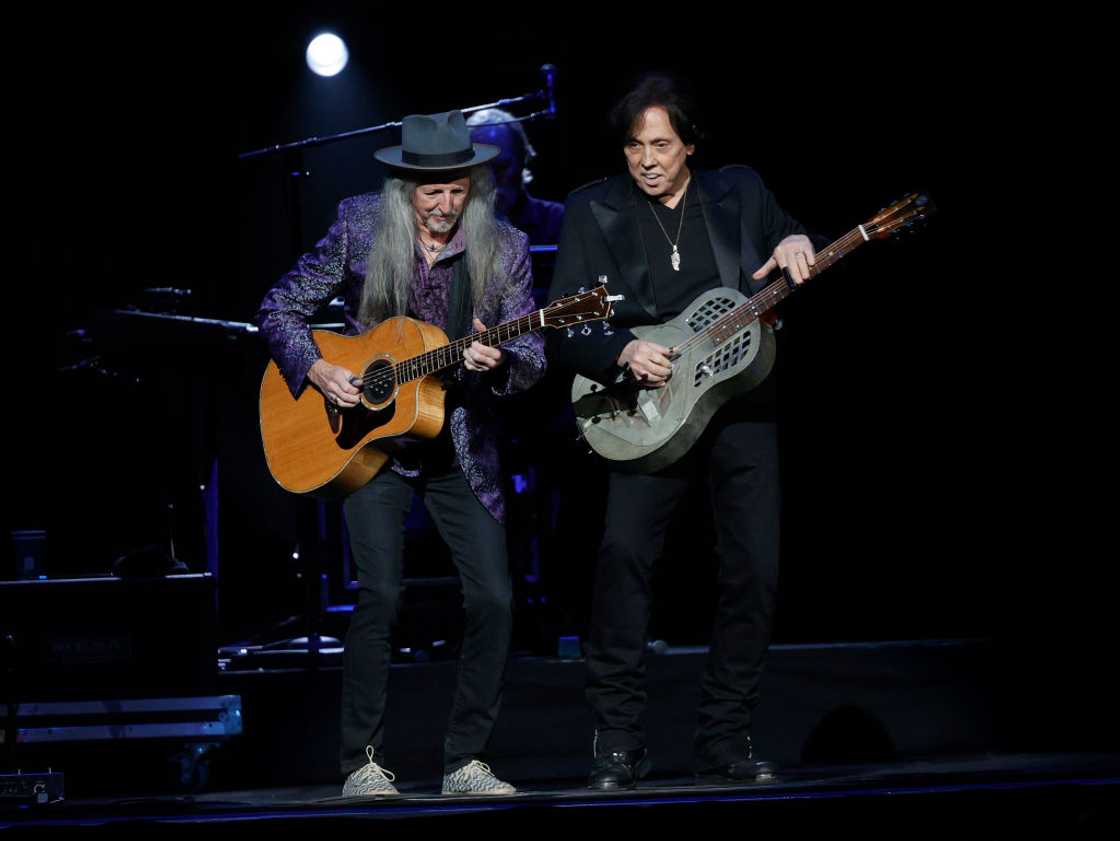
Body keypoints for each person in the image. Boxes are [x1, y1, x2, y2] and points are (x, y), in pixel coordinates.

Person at [257, 110, 545, 797]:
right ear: (404, 187)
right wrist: (318, 369)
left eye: (458, 191)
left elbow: (534, 355)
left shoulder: (503, 246)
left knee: (496, 598)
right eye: (431, 192)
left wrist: (498, 359)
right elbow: (279, 308)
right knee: (380, 594)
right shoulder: (360, 224)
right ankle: (360, 761)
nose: (446, 207)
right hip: (366, 438)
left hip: (459, 442)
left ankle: (465, 760)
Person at [547, 75, 816, 789]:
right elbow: (564, 329)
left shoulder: (738, 192)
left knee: (753, 567)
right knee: (622, 558)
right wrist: (620, 350)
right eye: (635, 145)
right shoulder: (592, 210)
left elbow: (791, 240)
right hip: (649, 411)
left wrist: (795, 237)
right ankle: (618, 738)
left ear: (690, 145)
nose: (646, 158)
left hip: (741, 404)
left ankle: (726, 734)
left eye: (661, 143)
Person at [466, 108, 564, 244]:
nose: (491, 180)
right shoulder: (451, 227)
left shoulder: (557, 220)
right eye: (480, 171)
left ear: (523, 159)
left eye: (501, 168)